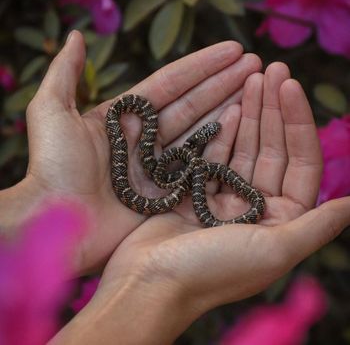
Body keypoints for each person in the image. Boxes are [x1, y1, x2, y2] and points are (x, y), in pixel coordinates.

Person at [0, 30, 349, 345]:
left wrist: (39, 202)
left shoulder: (183, 166)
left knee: (223, 185)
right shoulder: (172, 162)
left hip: (181, 177)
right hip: (176, 176)